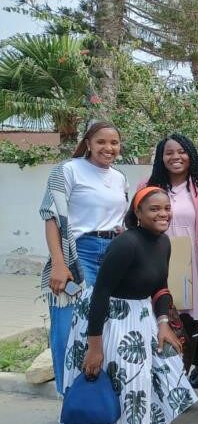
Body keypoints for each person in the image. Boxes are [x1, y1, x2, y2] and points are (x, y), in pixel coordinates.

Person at [62, 187, 196, 424]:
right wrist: (95, 347)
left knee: (162, 366)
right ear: (138, 212)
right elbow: (101, 293)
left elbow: (161, 287)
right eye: (154, 209)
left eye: (166, 208)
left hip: (141, 313)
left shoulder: (164, 242)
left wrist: (163, 324)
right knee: (115, 373)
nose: (163, 214)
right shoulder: (126, 244)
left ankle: (157, 421)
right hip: (109, 314)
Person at [40, 121, 129, 395]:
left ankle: (100, 395)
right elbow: (51, 216)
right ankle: (69, 394)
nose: (108, 148)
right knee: (68, 324)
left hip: (114, 253)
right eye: (102, 142)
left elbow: (120, 218)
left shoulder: (119, 177)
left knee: (107, 325)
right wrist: (58, 263)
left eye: (114, 143)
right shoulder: (68, 170)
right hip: (80, 255)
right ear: (88, 143)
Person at [142, 134, 198, 387]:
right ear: (161, 158)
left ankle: (179, 382)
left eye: (181, 151)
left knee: (187, 324)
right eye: (169, 152)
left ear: (190, 155)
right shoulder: (148, 186)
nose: (176, 157)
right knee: (158, 318)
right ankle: (156, 381)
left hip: (191, 264)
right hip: (156, 260)